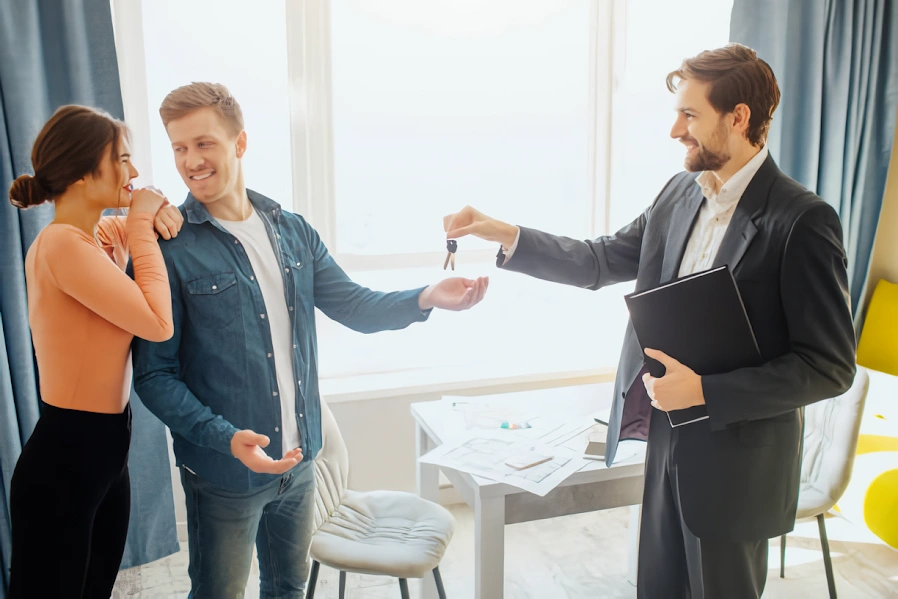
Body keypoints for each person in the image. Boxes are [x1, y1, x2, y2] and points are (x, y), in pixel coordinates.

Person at [443, 44, 856, 598]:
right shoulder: (678, 192)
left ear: (739, 118)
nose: (674, 131)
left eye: (690, 115)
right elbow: (600, 259)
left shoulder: (802, 220)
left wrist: (706, 391)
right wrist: (505, 233)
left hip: (739, 471)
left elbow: (828, 366)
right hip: (665, 446)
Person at [131, 82, 489, 598]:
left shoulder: (293, 231)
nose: (191, 161)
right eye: (179, 148)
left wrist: (428, 296)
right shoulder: (169, 247)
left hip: (299, 463)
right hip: (222, 473)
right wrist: (226, 437)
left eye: (204, 143)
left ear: (240, 143)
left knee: (289, 589)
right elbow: (154, 375)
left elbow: (356, 306)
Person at [7, 105, 183, 598]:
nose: (135, 173)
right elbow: (157, 322)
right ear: (86, 172)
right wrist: (144, 224)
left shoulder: (96, 238)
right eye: (123, 160)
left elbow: (149, 222)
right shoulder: (61, 245)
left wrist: (152, 215)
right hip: (66, 458)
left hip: (106, 453)